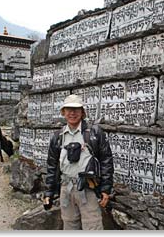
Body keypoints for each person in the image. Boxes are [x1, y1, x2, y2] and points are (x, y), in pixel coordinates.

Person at [43, 94, 114, 230]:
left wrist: (105, 189)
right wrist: (49, 192)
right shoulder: (58, 137)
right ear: (63, 112)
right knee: (69, 225)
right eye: (68, 109)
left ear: (82, 112)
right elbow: (52, 165)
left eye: (76, 109)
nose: (72, 113)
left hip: (88, 187)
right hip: (66, 187)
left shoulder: (94, 133)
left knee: (93, 226)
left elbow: (106, 161)